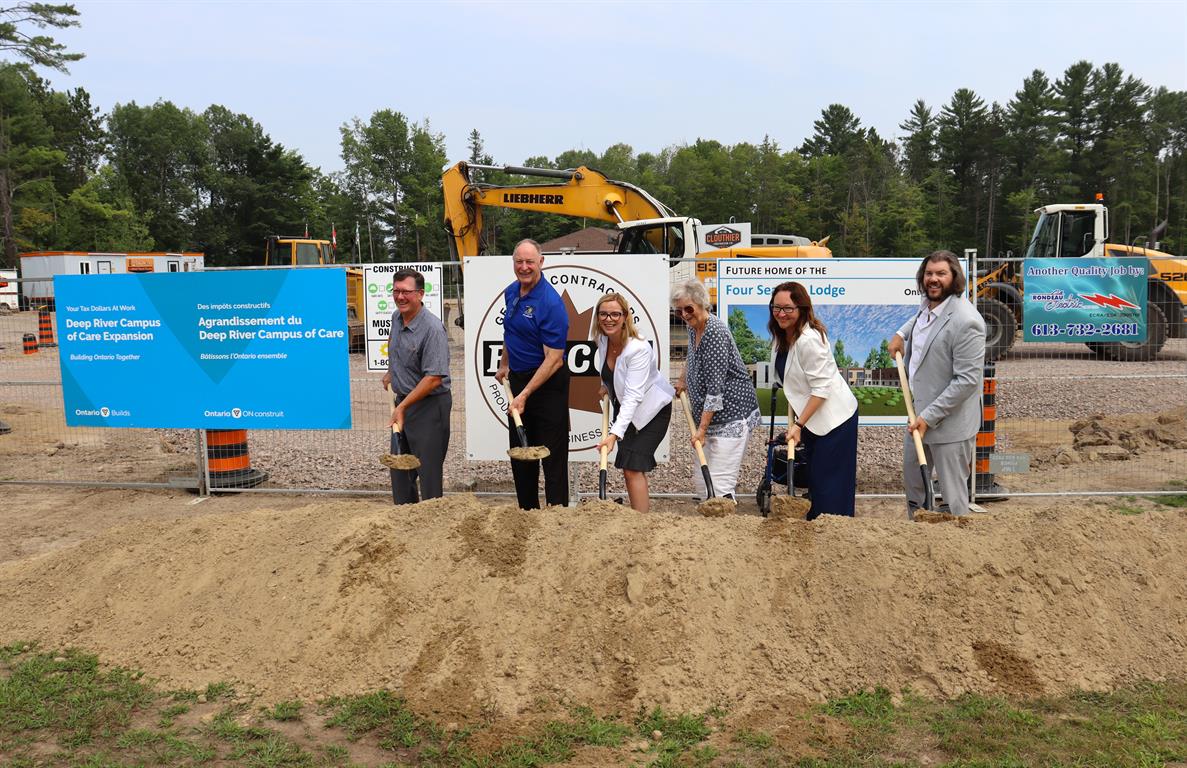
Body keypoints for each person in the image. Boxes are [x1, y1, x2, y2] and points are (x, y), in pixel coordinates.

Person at [888, 250, 986, 517]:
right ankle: (917, 539)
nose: (933, 279)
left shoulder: (967, 323)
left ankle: (958, 545)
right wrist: (901, 334)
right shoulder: (929, 302)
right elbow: (919, 317)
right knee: (914, 485)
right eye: (929, 273)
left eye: (941, 273)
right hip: (917, 416)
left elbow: (965, 382)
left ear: (954, 277)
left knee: (953, 496)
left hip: (948, 424)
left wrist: (928, 418)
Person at [768, 282, 859, 519]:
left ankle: (834, 529)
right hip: (812, 419)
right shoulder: (781, 337)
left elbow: (821, 389)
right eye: (776, 307)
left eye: (788, 308)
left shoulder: (808, 340)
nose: (781, 313)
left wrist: (798, 425)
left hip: (834, 419)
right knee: (816, 479)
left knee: (830, 482)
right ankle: (817, 526)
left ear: (802, 308)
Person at [495, 239, 571, 509]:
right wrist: (505, 363)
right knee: (521, 454)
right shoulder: (511, 292)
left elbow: (555, 360)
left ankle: (557, 515)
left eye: (529, 261)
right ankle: (526, 514)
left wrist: (526, 394)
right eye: (519, 261)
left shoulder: (550, 303)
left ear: (541, 262)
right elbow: (511, 331)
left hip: (548, 386)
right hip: (518, 379)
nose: (524, 267)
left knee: (551, 456)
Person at [671, 279, 760, 500]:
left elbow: (715, 389)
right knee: (703, 479)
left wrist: (701, 429)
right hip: (710, 418)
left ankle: (724, 521)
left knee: (719, 481)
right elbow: (691, 358)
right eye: (679, 311)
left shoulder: (715, 332)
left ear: (701, 303)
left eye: (688, 308)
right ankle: (708, 519)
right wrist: (682, 380)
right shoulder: (694, 328)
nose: (684, 314)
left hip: (731, 415)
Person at [593, 293, 675, 512]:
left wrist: (613, 434)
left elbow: (634, 396)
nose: (608, 319)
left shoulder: (637, 349)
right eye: (603, 314)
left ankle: (641, 523)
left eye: (615, 314)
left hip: (651, 411)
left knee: (632, 466)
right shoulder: (603, 338)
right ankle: (639, 517)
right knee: (630, 466)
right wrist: (606, 385)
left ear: (625, 317)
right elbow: (607, 366)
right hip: (626, 410)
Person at [381, 268, 452, 504]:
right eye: (396, 291)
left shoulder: (432, 329)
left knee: (428, 474)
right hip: (405, 404)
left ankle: (431, 529)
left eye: (406, 292)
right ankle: (404, 522)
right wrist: (393, 371)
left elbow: (434, 378)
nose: (400, 297)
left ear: (420, 294)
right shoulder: (396, 318)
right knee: (400, 469)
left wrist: (401, 408)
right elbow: (396, 344)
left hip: (430, 407)